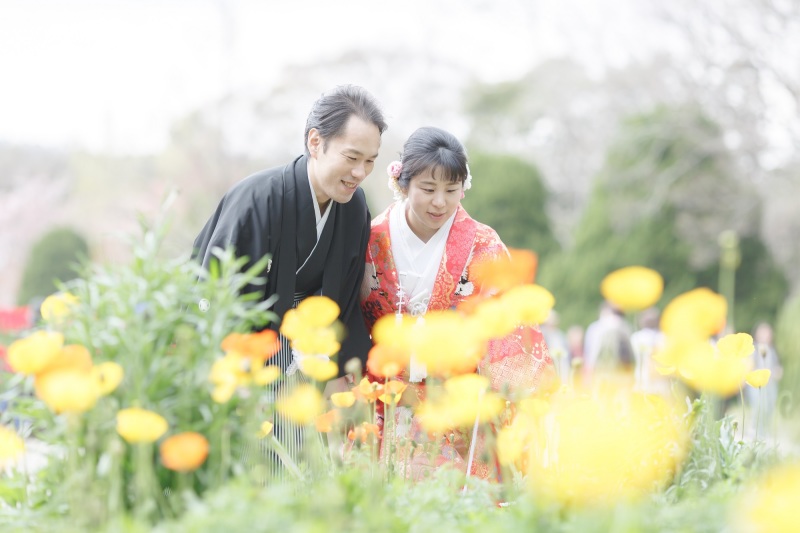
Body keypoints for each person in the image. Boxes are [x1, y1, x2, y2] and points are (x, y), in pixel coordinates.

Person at [193, 85, 387, 478]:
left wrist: (339, 373)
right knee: (247, 472)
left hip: (304, 364)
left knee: (298, 475)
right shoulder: (257, 199)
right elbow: (215, 294)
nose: (359, 173)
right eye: (352, 157)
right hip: (247, 365)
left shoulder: (353, 210)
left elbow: (345, 300)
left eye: (369, 161)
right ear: (316, 142)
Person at [360, 126, 554, 480]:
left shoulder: (482, 243)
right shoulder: (372, 240)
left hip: (457, 407)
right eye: (428, 189)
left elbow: (507, 326)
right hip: (387, 400)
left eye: (452, 190)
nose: (440, 203)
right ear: (402, 184)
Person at [745, 322, 782, 438]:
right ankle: (755, 431)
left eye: (768, 333)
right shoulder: (753, 350)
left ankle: (766, 431)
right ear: (757, 335)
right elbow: (748, 366)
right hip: (756, 385)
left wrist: (778, 371)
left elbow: (776, 366)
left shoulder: (772, 351)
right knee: (759, 407)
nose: (766, 336)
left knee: (769, 407)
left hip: (770, 385)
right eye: (763, 333)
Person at [582, 300, 634, 381]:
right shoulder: (625, 326)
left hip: (600, 371)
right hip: (621, 371)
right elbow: (630, 352)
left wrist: (588, 374)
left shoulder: (594, 328)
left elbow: (591, 353)